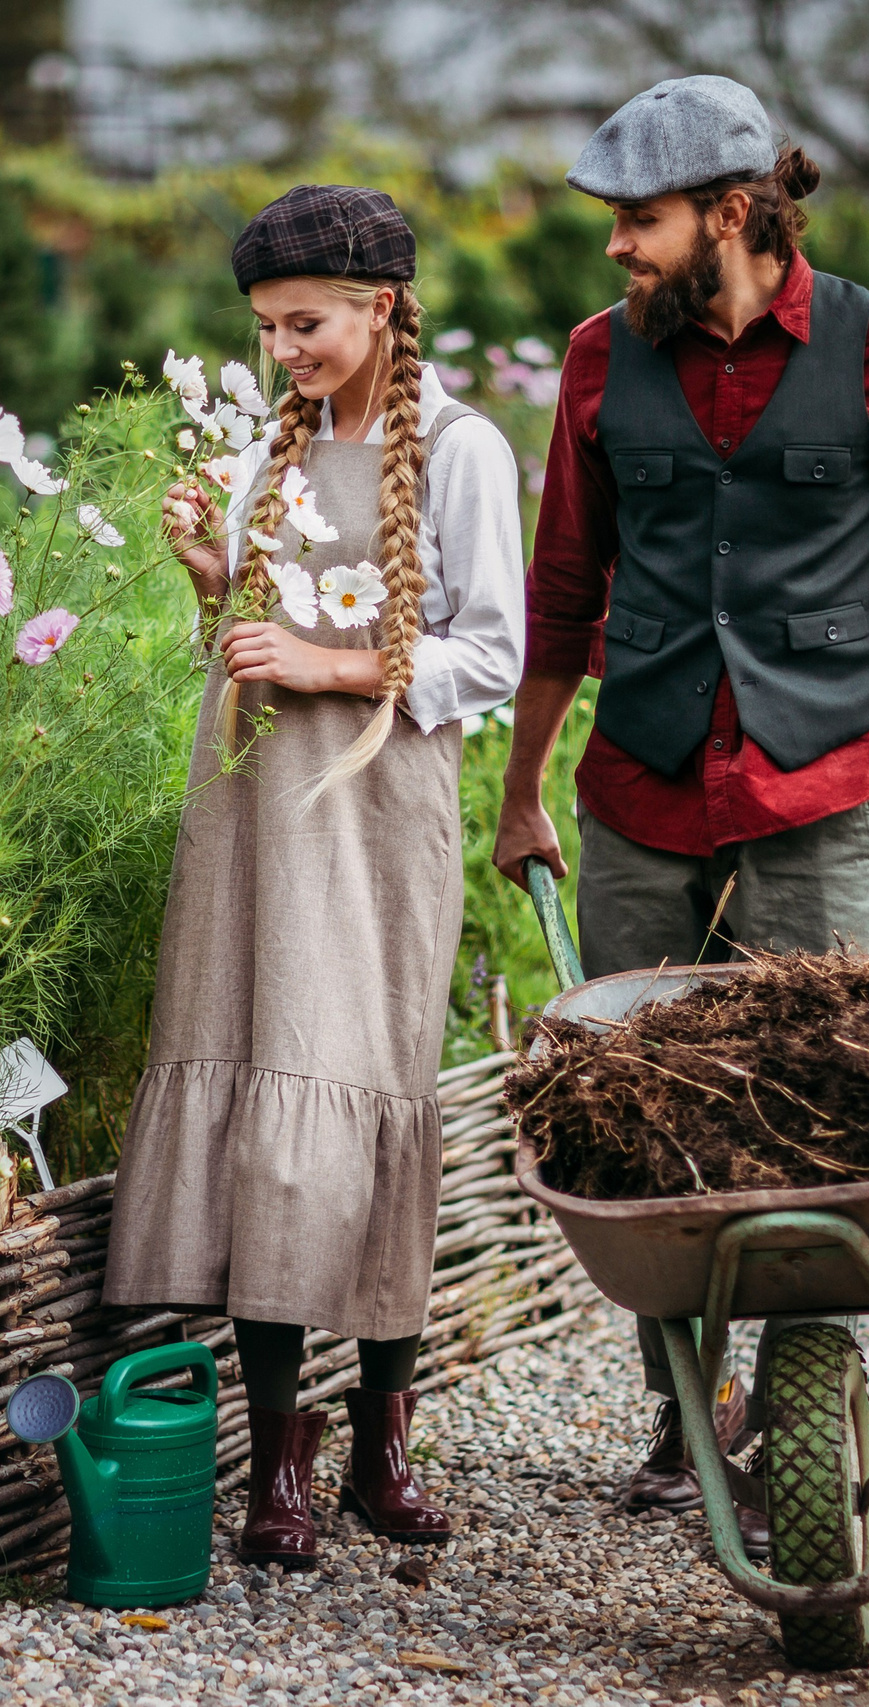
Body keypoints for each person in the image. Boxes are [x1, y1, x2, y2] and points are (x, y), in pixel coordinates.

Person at [492, 77, 869, 1547]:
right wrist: (521, 793)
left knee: (819, 1116)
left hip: (815, 794)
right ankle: (688, 1412)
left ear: (733, 213)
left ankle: (798, 1402)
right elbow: (563, 591)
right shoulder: (598, 363)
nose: (616, 248)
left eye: (639, 220)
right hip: (638, 794)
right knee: (639, 1127)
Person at [103, 184, 527, 1567]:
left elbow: (495, 655)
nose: (282, 352)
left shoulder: (461, 450)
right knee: (266, 1113)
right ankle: (277, 1462)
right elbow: (248, 637)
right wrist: (209, 576)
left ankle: (381, 1446)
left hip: (376, 815)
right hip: (253, 811)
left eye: (305, 326)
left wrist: (330, 666)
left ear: (381, 308)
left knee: (373, 1089)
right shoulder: (269, 453)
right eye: (267, 330)